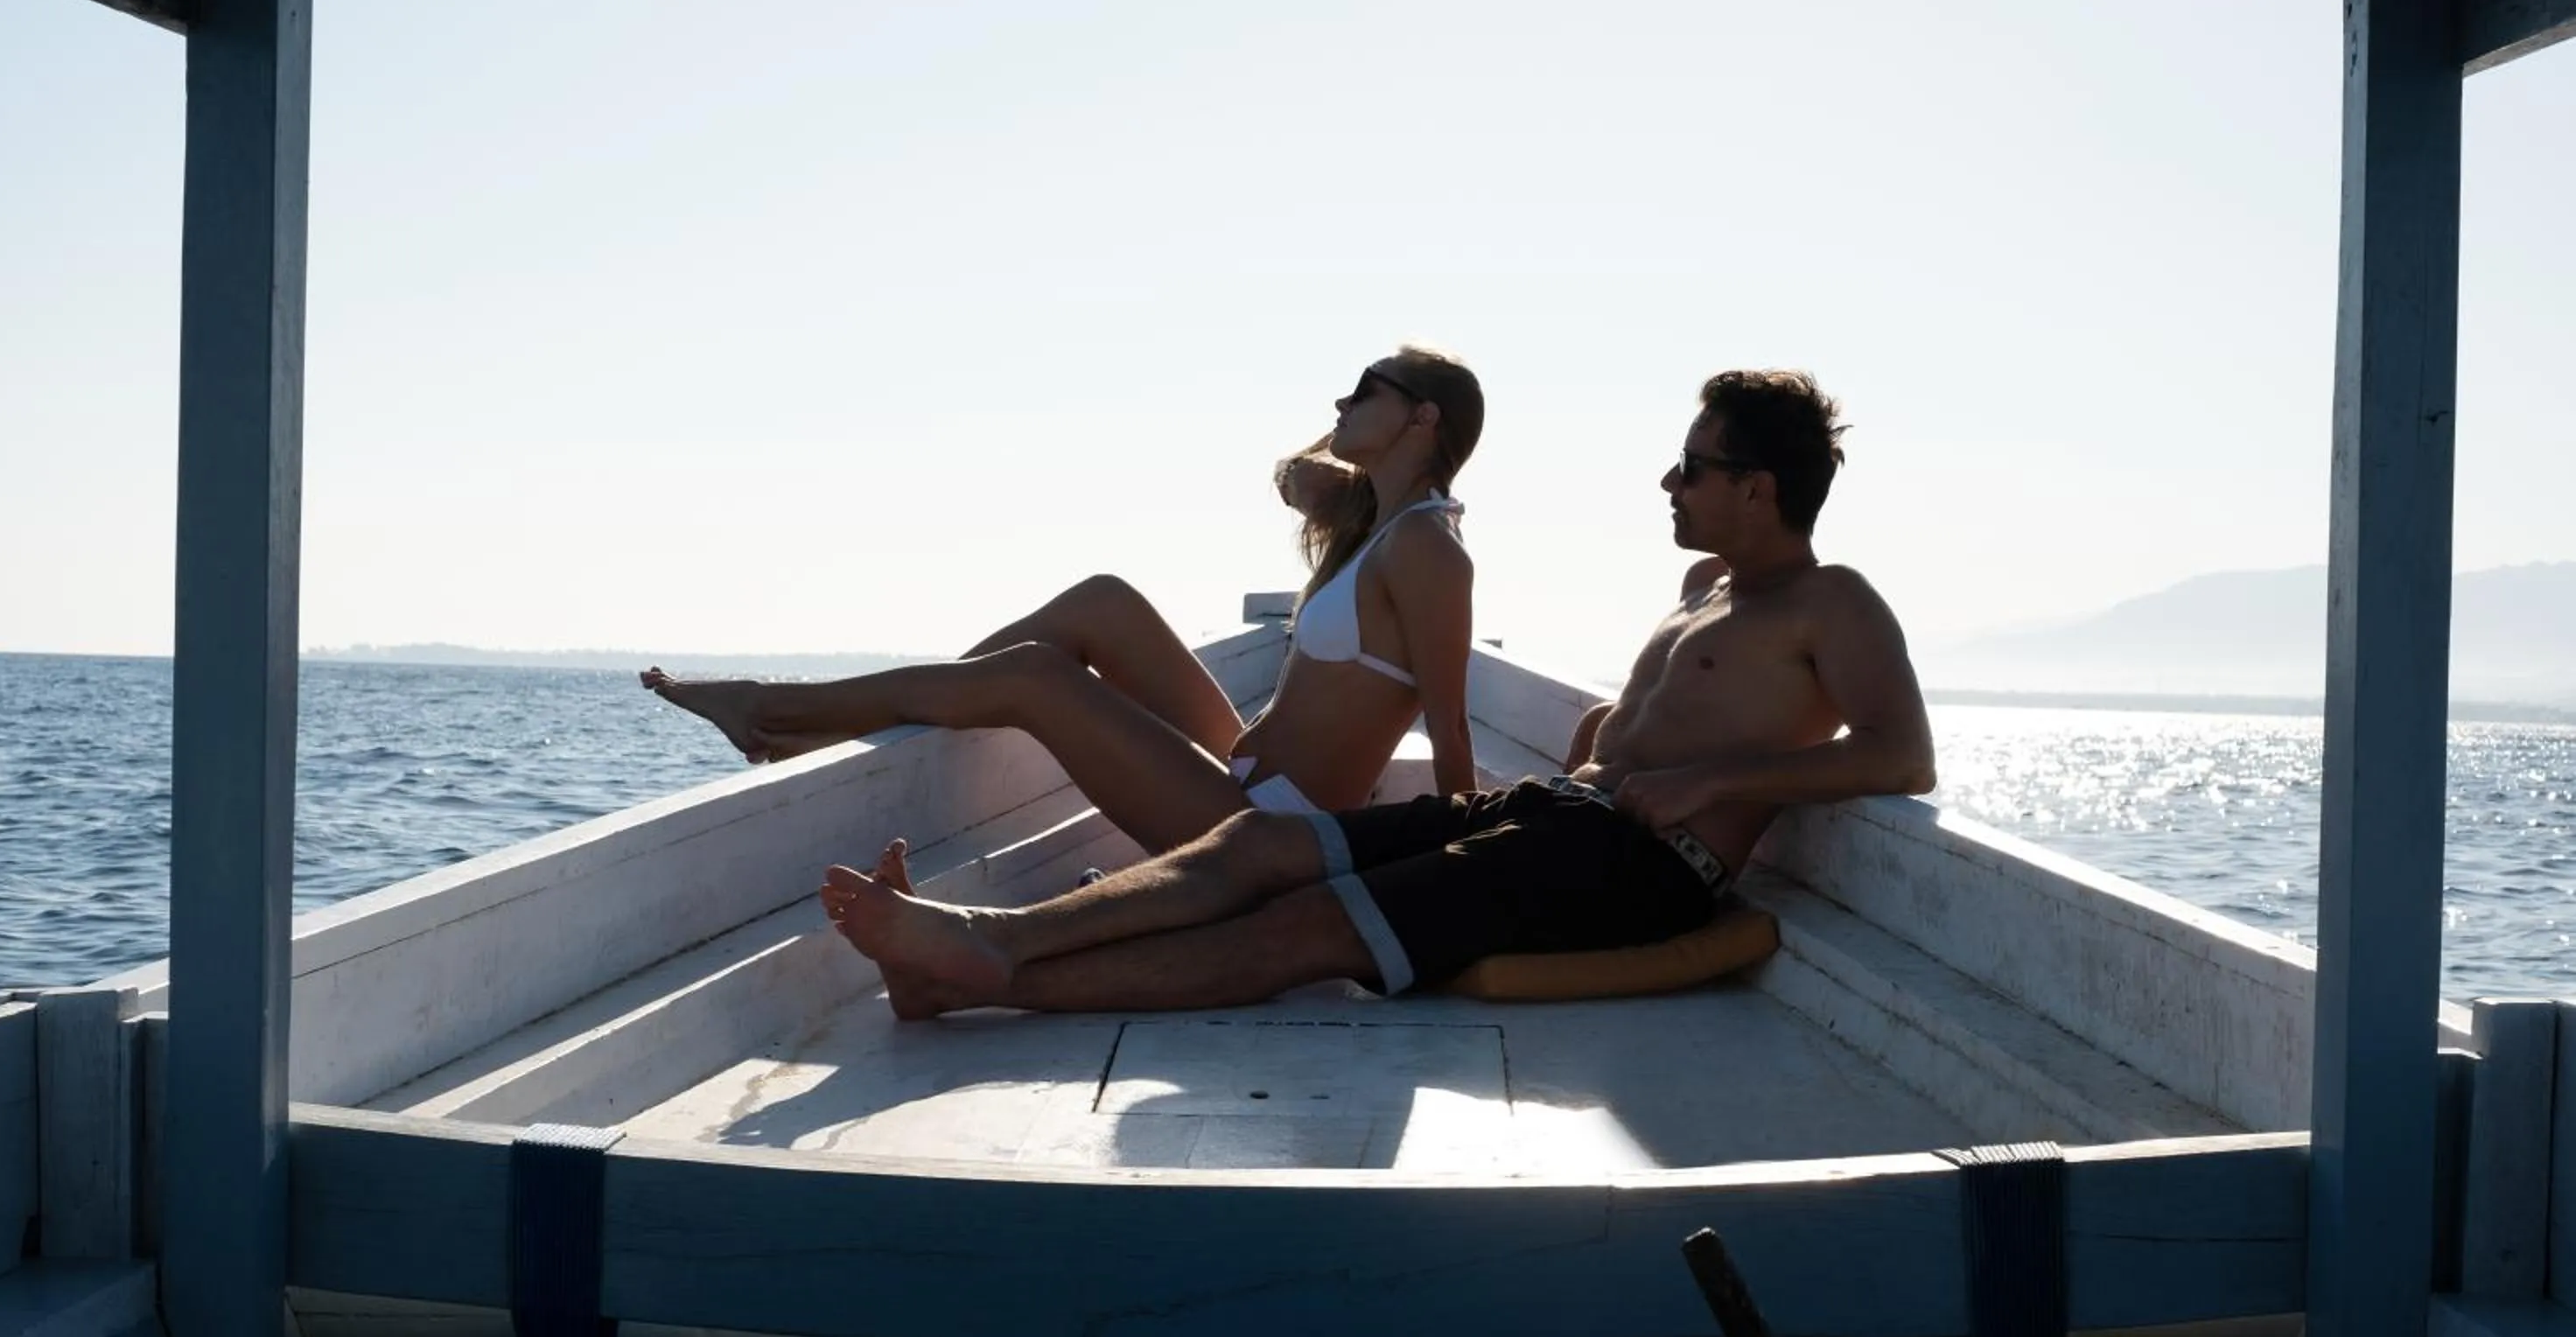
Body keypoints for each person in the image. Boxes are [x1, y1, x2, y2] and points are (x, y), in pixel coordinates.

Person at [819, 368, 1935, 1018]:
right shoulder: (1704, 587)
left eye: (1692, 466)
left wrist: (1713, 778)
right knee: (1257, 855)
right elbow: (1672, 714)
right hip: (1559, 814)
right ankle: (981, 941)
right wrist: (1611, 741)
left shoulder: (1832, 602)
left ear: (1758, 486)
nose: (1668, 481)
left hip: (1641, 869)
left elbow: (1900, 756)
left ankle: (981, 965)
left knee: (1306, 931)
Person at [640, 346, 1484, 857]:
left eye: (1365, 387)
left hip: (1272, 829)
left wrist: (1468, 869)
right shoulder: (1376, 523)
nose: (1339, 401)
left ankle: (769, 710)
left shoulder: (1429, 551)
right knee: (1105, 601)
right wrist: (1360, 451)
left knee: (1040, 678)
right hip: (1243, 773)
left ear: (1422, 418)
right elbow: (1291, 475)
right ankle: (845, 726)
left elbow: (1449, 727)